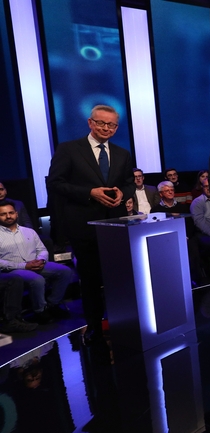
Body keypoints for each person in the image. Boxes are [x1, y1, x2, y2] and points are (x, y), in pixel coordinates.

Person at [47, 104, 135, 341]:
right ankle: (94, 326)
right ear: (90, 123)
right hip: (83, 226)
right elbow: (55, 183)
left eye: (111, 125)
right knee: (91, 280)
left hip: (114, 226)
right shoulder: (69, 149)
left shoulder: (122, 154)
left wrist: (122, 194)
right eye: (101, 123)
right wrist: (90, 192)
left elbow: (128, 183)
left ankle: (123, 323)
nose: (106, 128)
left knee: (119, 277)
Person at [0, 200, 73, 324]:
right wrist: (25, 266)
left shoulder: (29, 231)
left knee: (65, 271)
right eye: (3, 214)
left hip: (36, 264)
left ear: (16, 214)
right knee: (37, 280)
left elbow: (42, 249)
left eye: (11, 213)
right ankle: (40, 311)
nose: (8, 216)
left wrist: (41, 260)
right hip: (14, 269)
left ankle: (52, 304)